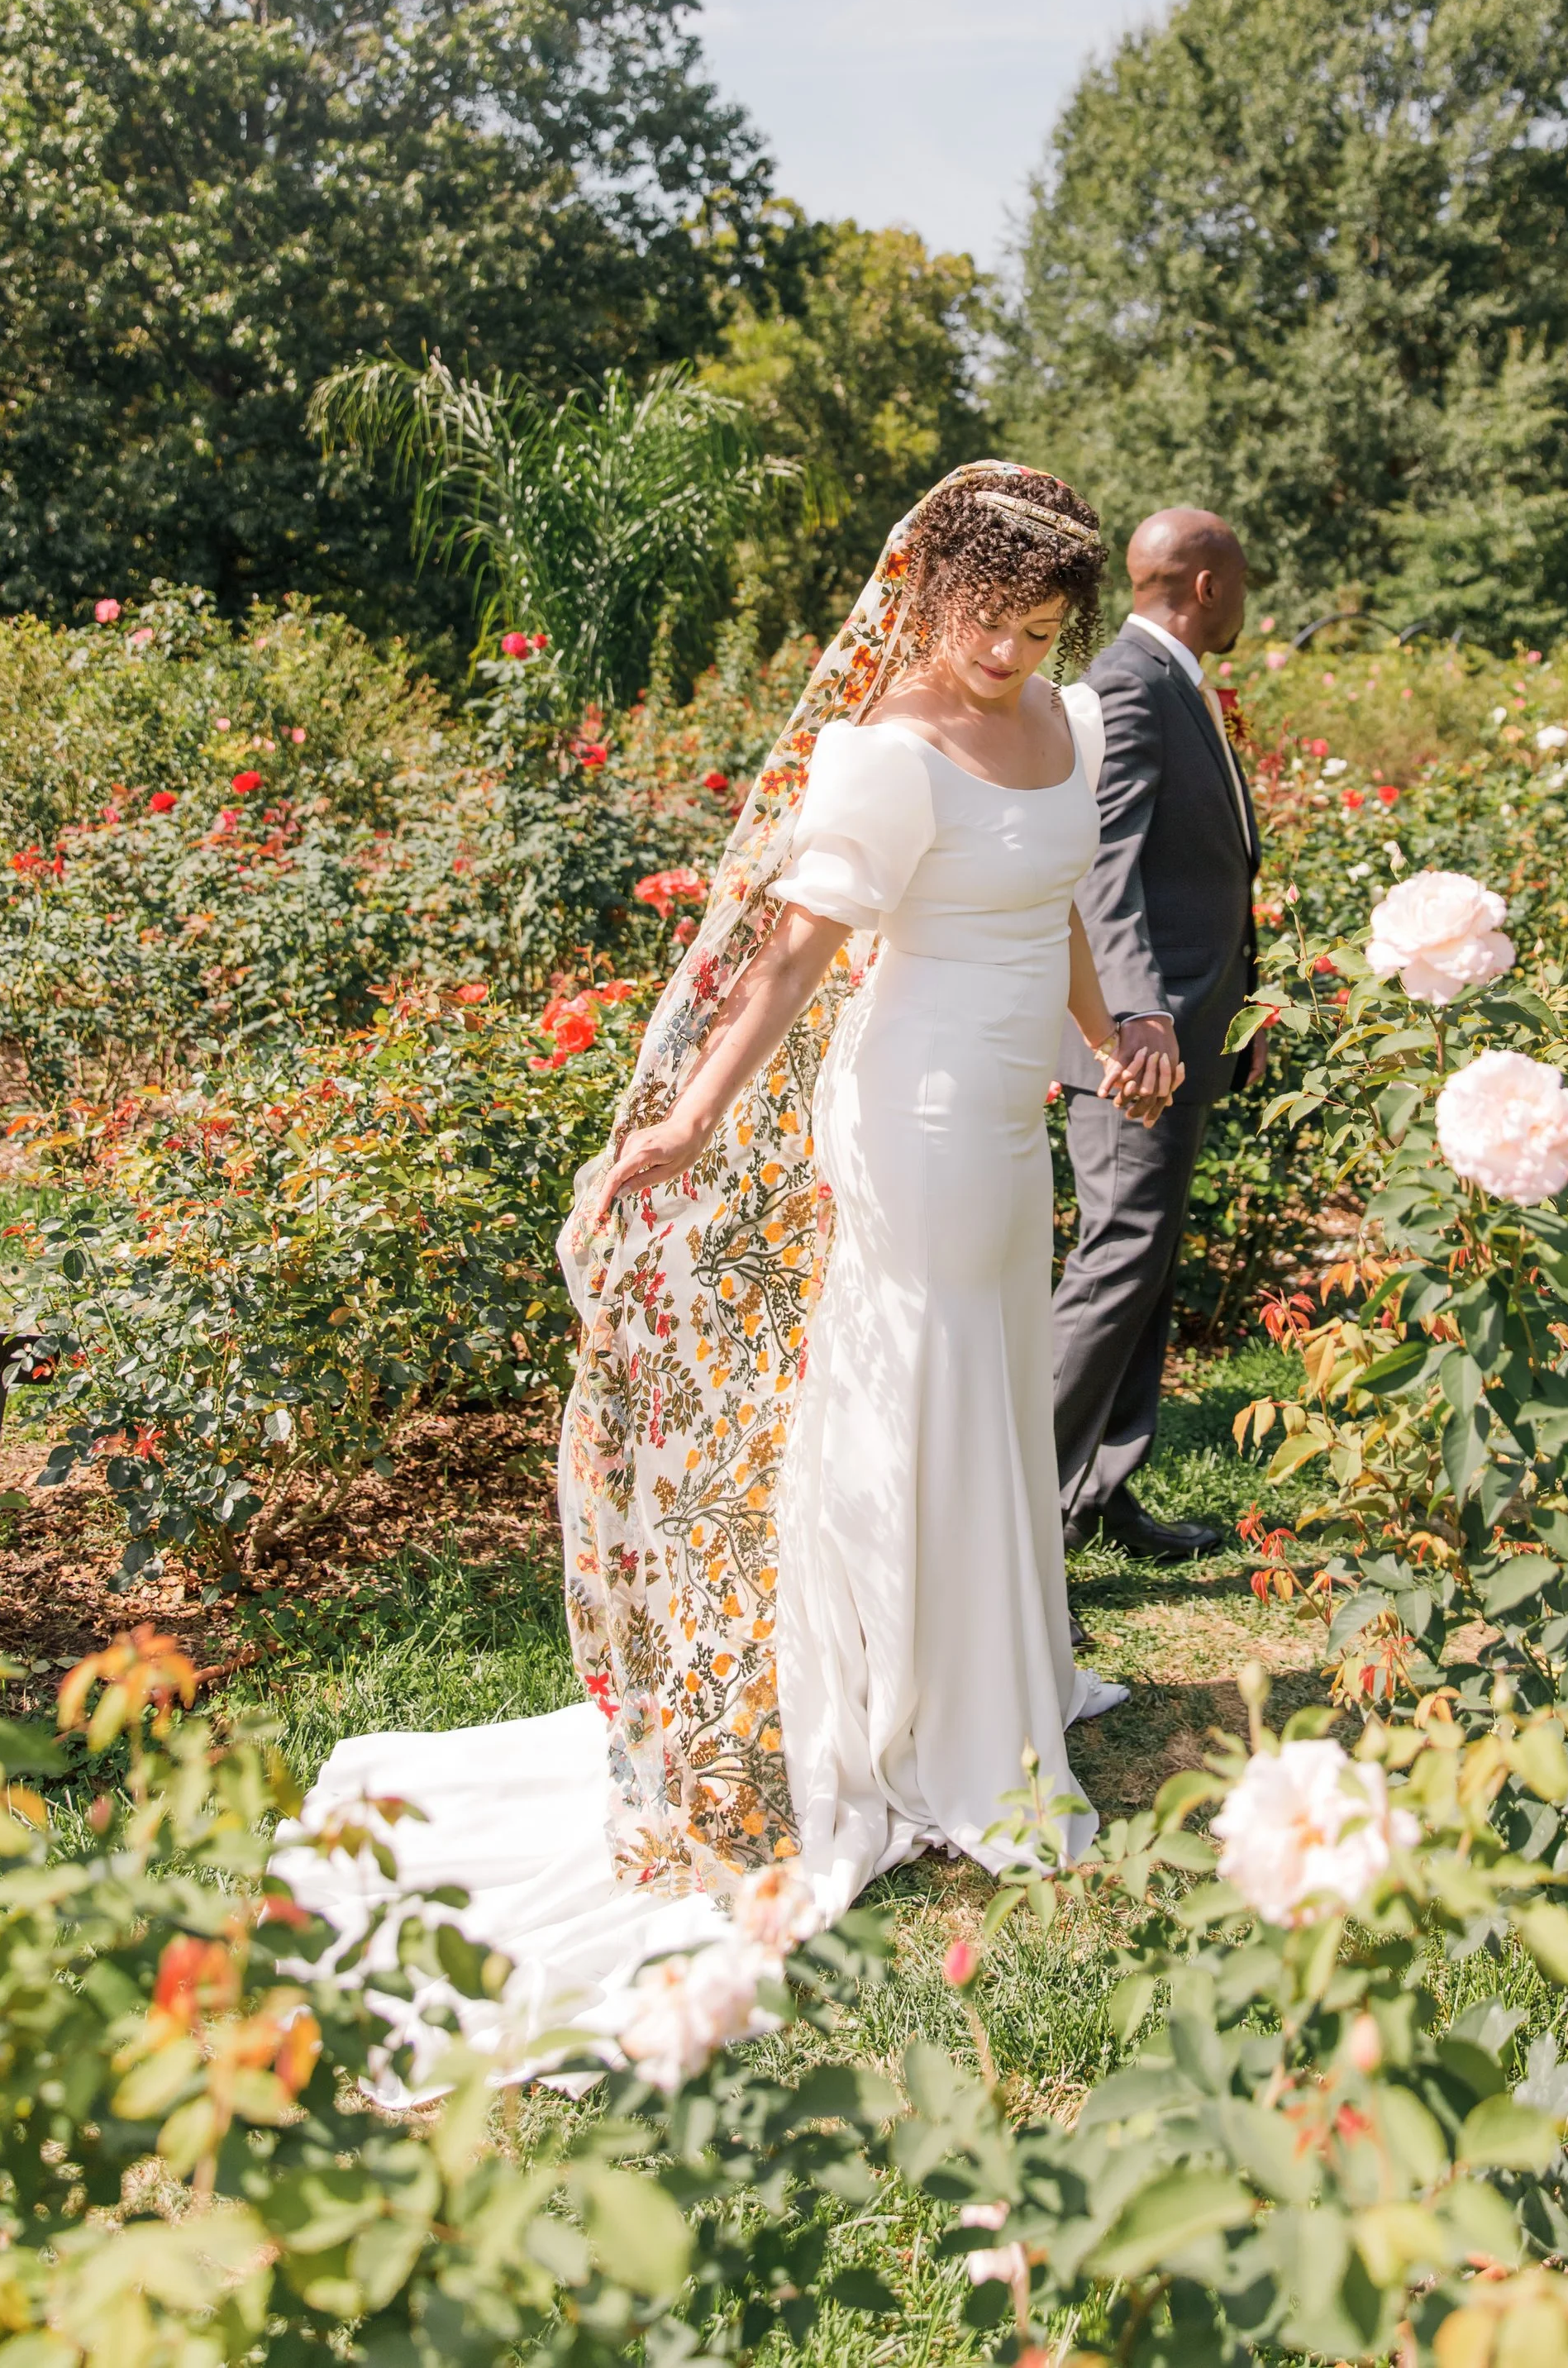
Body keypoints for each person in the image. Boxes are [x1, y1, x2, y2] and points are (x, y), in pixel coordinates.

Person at [283, 465, 1170, 2072]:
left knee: (980, 1373)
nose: (1015, 653)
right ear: (933, 593)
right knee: (911, 1385)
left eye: (1045, 628)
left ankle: (992, 1698)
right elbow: (786, 962)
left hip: (1009, 1111)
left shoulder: (1076, 725)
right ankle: (897, 1726)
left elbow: (1053, 921)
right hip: (903, 1115)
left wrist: (1110, 1046)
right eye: (994, 621)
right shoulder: (887, 759)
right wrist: (688, 1117)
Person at [1051, 505, 1261, 1565]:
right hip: (1138, 1048)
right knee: (1116, 1260)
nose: (1248, 601)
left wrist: (1240, 1008)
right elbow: (1107, 866)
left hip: (1185, 1031)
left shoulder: (1173, 679)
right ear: (1207, 585)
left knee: (1147, 1264)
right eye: (1244, 581)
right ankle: (1027, 1523)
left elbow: (1205, 874)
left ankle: (1099, 1494)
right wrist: (1139, 1023)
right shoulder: (1130, 682)